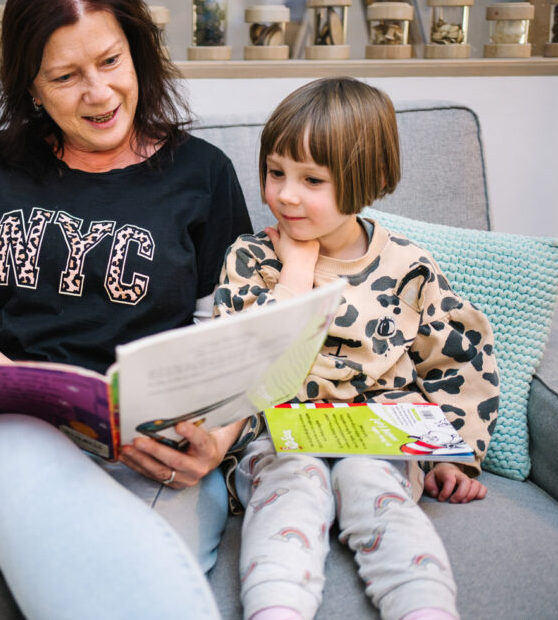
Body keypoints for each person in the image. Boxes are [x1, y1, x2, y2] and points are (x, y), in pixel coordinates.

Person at [0, 0, 253, 619]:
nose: (100, 92)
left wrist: (217, 436)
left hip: (146, 455)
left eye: (111, 60)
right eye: (66, 77)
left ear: (137, 51)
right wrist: (17, 390)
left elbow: (229, 336)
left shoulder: (204, 174)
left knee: (136, 562)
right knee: (33, 467)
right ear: (33, 89)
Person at [213, 77, 501, 620]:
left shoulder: (408, 268)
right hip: (277, 438)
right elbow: (238, 361)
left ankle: (424, 607)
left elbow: (460, 362)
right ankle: (276, 606)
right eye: (276, 172)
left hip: (378, 437)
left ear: (365, 181)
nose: (286, 194)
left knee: (368, 482)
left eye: (311, 179)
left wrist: (454, 455)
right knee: (293, 485)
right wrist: (295, 275)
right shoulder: (252, 258)